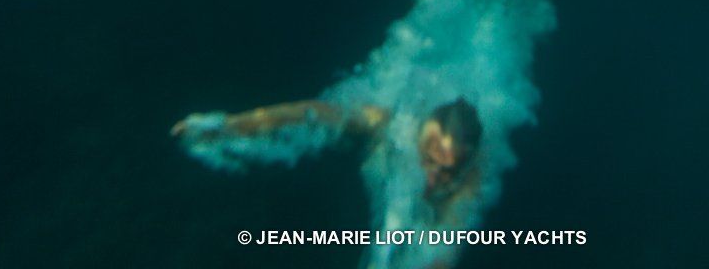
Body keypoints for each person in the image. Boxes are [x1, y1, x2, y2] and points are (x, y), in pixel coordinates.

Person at [171, 96, 482, 223]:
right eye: (428, 159)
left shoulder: (470, 179)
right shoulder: (388, 125)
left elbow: (445, 248)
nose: (433, 177)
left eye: (447, 170)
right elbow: (309, 113)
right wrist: (230, 125)